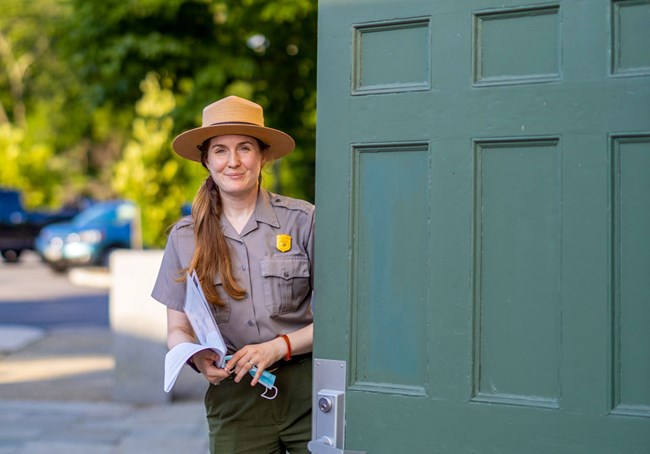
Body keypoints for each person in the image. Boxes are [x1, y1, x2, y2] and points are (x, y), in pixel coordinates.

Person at [151, 96, 314, 454]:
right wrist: (195, 356)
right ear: (206, 160)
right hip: (236, 396)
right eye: (221, 151)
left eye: (245, 148)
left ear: (263, 156)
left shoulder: (304, 221)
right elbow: (178, 329)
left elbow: (340, 320)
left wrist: (278, 347)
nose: (234, 161)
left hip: (309, 389)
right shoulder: (184, 236)